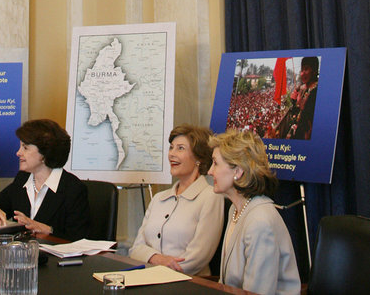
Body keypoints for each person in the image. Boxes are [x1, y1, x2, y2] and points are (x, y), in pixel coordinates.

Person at [208, 130, 300, 294]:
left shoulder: (260, 221)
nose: (209, 171)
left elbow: (258, 292)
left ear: (238, 171)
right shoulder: (235, 209)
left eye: (215, 163)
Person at [0, 119, 91, 241]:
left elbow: (79, 240)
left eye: (25, 148)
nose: (18, 153)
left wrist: (48, 230)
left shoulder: (73, 189)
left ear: (44, 154)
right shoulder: (23, 179)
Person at [129, 125, 225, 276]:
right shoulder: (158, 198)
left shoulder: (210, 197)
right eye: (171, 147)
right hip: (149, 279)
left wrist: (158, 271)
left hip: (189, 285)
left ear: (198, 158)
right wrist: (158, 259)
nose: (171, 154)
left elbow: (197, 259)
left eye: (180, 148)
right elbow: (135, 249)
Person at [286, 56, 319, 140]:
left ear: (314, 71)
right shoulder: (305, 89)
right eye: (302, 70)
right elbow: (298, 113)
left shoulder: (316, 92)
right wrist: (294, 102)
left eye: (306, 69)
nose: (302, 73)